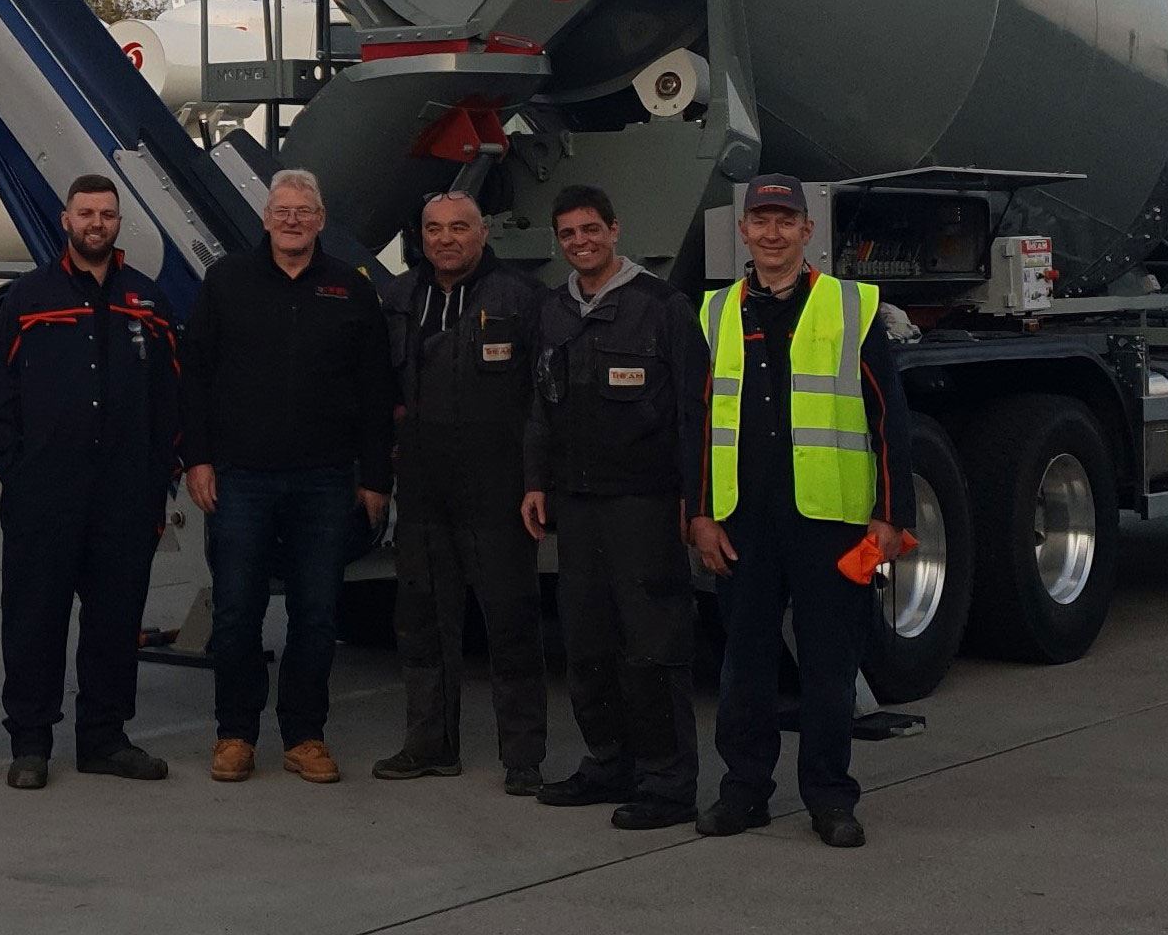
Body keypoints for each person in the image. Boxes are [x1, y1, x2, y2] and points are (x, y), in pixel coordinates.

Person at [688, 174, 915, 850]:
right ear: (743, 230)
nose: (773, 232)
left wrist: (890, 516)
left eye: (786, 220)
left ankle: (829, 798)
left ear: (807, 230)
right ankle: (743, 793)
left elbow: (888, 420)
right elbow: (699, 425)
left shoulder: (854, 307)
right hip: (742, 523)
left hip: (833, 521)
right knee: (745, 668)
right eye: (761, 219)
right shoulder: (714, 312)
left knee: (828, 669)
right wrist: (701, 517)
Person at [180, 167, 396, 786]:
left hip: (326, 482)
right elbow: (193, 376)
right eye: (282, 210)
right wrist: (197, 459)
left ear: (321, 220)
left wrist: (375, 477)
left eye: (305, 210)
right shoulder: (226, 282)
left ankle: (304, 735)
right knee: (236, 612)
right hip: (241, 479)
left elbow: (376, 391)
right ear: (266, 218)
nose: (293, 220)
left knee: (318, 613)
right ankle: (235, 735)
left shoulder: (349, 291)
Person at [519, 184, 707, 832]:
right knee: (587, 640)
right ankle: (608, 762)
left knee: (651, 643)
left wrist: (697, 502)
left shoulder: (663, 308)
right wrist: (534, 482)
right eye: (568, 234)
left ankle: (668, 780)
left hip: (645, 505)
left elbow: (695, 413)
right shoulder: (551, 312)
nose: (581, 242)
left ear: (615, 230)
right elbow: (540, 406)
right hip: (576, 507)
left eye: (590, 230)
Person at [0, 174, 179, 789]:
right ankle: (31, 743)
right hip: (44, 498)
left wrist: (155, 477)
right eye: (86, 213)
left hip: (124, 499)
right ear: (65, 220)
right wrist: (17, 470)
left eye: (107, 214)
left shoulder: (146, 302)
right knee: (33, 620)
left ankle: (104, 738)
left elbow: (172, 398)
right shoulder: (27, 299)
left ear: (119, 223)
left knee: (114, 622)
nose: (96, 223)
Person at [372, 190, 548, 793]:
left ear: (483, 233)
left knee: (510, 623)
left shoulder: (523, 300)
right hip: (422, 491)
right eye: (433, 229)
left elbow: (540, 404)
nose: (446, 239)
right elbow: (375, 395)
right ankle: (429, 744)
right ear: (420, 236)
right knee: (421, 624)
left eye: (459, 228)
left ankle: (522, 757)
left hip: (497, 490)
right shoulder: (398, 299)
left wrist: (534, 479)